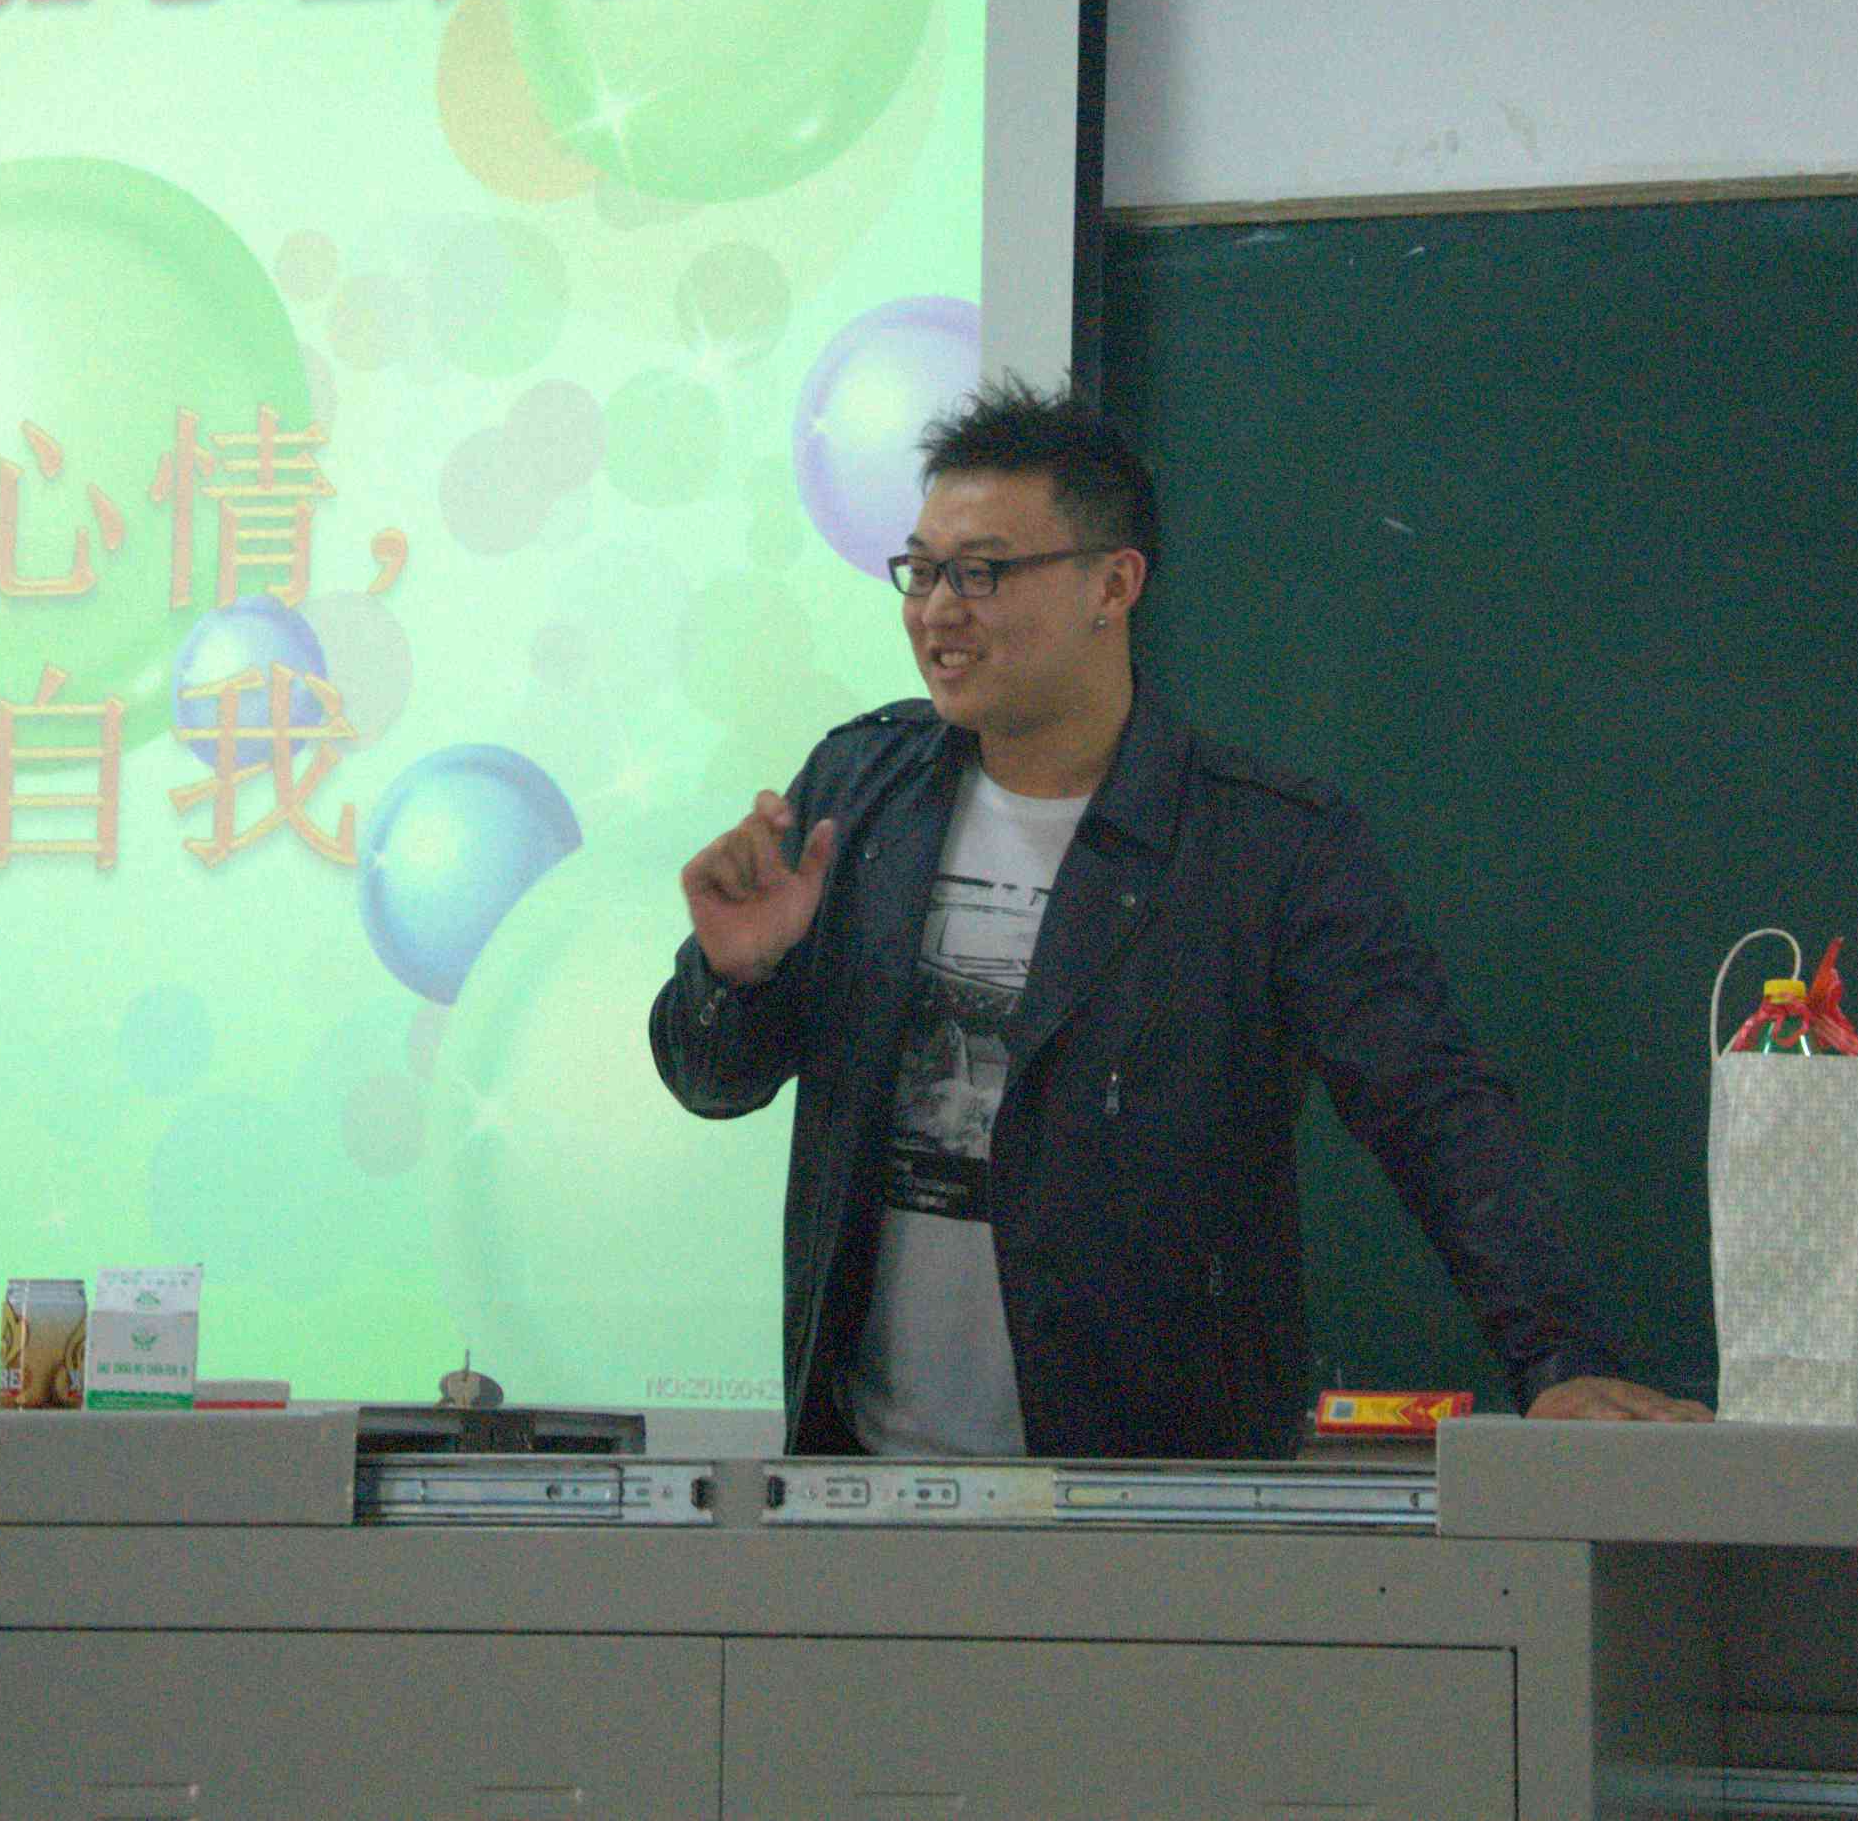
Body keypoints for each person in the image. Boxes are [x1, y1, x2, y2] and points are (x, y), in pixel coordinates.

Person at [648, 377, 1706, 1459]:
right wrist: (736, 977)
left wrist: (1561, 1361)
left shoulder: (1265, 848)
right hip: (863, 1484)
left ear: (1114, 584)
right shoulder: (859, 795)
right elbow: (713, 1080)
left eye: (983, 572)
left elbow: (1433, 1111)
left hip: (1148, 1496)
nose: (938, 611)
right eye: (921, 572)